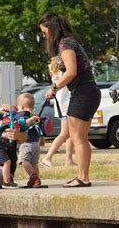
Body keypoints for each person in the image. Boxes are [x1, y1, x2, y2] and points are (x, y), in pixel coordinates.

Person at [39, 12, 101, 188]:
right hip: (84, 91)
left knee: (78, 137)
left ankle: (83, 178)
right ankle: (82, 176)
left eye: (45, 32)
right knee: (79, 136)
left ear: (52, 29)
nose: (44, 36)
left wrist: (54, 88)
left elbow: (71, 72)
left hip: (83, 92)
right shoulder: (69, 41)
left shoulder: (65, 44)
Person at [40, 57, 75, 168]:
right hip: (64, 104)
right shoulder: (62, 71)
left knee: (70, 134)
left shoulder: (55, 70)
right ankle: (47, 158)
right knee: (65, 133)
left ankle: (69, 160)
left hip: (64, 103)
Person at [16, 93, 44, 188]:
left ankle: (33, 176)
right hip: (36, 143)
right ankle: (37, 181)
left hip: (26, 144)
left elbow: (23, 123)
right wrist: (42, 139)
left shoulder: (22, 114)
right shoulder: (35, 115)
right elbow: (39, 128)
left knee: (24, 161)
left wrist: (30, 119)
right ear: (32, 106)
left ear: (21, 106)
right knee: (34, 163)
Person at [0, 124, 28, 189]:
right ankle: (7, 182)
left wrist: (18, 135)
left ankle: (7, 181)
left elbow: (24, 138)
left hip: (3, 171)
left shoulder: (16, 118)